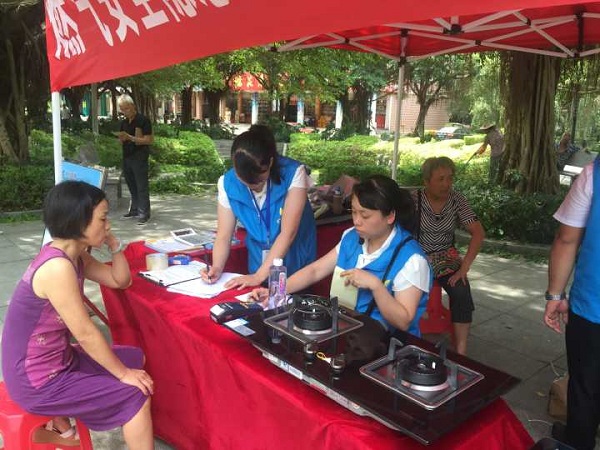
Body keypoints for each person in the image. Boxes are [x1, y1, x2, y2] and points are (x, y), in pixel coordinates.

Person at [1, 181, 154, 449]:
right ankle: (60, 428)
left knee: (134, 359)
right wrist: (123, 375)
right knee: (134, 392)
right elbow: (85, 333)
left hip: (58, 360)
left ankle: (63, 430)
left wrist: (115, 246)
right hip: (37, 381)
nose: (108, 225)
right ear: (78, 221)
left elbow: (119, 280)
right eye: (103, 218)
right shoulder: (57, 267)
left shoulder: (75, 256)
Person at [250, 175, 432, 337]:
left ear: (390, 216)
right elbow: (315, 270)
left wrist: (376, 286)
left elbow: (403, 321)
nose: (357, 221)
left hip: (385, 344)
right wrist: (277, 291)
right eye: (354, 212)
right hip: (346, 332)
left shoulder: (412, 260)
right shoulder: (351, 237)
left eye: (365, 216)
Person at [202, 124, 316, 289]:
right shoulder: (227, 183)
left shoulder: (293, 173)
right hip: (257, 267)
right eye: (245, 182)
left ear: (270, 163)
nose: (253, 186)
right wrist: (217, 267)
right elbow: (224, 235)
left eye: (259, 180)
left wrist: (258, 276)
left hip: (294, 269)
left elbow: (288, 233)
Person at [544, 157, 600, 450]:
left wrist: (555, 295)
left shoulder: (594, 174)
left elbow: (567, 239)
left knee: (585, 386)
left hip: (593, 308)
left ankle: (579, 443)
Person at [412, 157, 485, 355]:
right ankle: (407, 337)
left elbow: (478, 233)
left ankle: (461, 352)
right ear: (427, 181)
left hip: (446, 257)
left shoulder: (457, 200)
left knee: (461, 291)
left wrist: (464, 268)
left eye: (450, 178)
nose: (446, 184)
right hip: (417, 257)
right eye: (440, 179)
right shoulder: (414, 200)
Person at [118, 94, 153, 225]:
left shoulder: (143, 120)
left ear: (132, 106)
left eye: (126, 108)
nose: (125, 112)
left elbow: (148, 140)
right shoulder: (124, 122)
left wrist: (131, 138)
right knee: (131, 184)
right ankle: (134, 209)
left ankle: (144, 213)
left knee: (141, 185)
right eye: (122, 109)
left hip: (139, 156)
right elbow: (122, 139)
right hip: (127, 156)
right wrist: (121, 139)